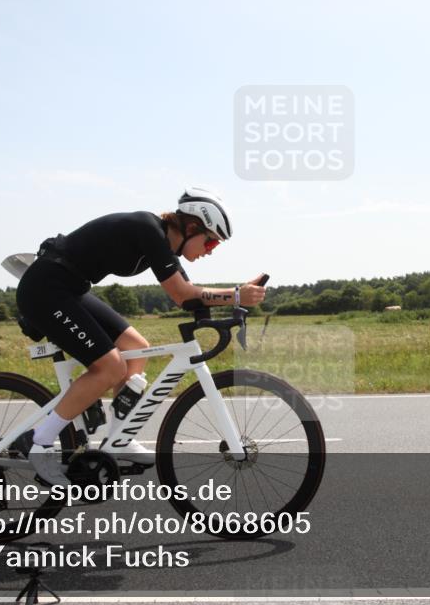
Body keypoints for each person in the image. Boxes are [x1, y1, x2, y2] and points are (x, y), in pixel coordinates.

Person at [15, 187, 266, 486]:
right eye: (210, 240)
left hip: (69, 287)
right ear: (191, 227)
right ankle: (39, 442)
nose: (211, 249)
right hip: (46, 288)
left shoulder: (163, 244)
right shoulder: (149, 230)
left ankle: (118, 438)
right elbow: (182, 294)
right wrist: (236, 294)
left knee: (135, 348)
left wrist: (232, 301)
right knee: (110, 367)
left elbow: (189, 298)